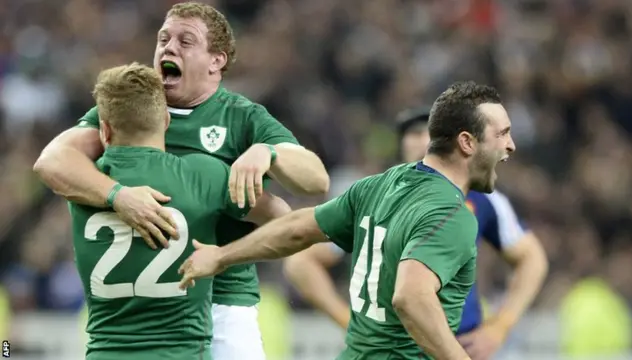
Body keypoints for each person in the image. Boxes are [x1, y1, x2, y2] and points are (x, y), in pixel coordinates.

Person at [33, 3, 329, 359]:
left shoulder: (242, 117)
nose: (168, 47)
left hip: (222, 301)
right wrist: (118, 196)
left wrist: (270, 153)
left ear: (215, 61)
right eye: (163, 38)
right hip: (141, 310)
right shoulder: (133, 106)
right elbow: (52, 162)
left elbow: (315, 181)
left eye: (185, 40)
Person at [178, 81, 516, 359]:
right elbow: (411, 297)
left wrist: (221, 256)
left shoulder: (380, 185)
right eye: (501, 134)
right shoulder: (454, 214)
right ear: (467, 143)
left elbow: (298, 229)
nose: (511, 145)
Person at [283, 107, 548, 359]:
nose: (424, 140)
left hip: (457, 342)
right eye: (415, 133)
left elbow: (532, 258)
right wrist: (347, 319)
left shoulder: (482, 199)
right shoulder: (376, 197)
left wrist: (500, 326)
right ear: (401, 144)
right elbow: (301, 263)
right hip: (394, 348)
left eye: (431, 133)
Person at [69, 63, 281, 360]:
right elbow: (282, 219)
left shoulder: (80, 180)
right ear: (166, 120)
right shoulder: (204, 176)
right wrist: (226, 255)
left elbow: (55, 164)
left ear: (104, 130)